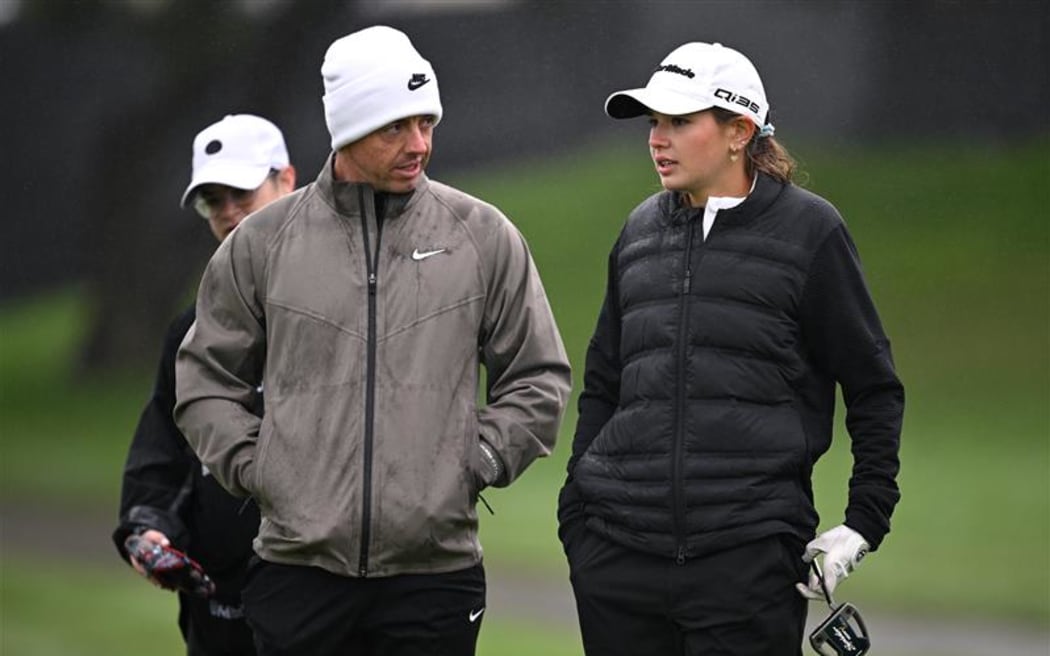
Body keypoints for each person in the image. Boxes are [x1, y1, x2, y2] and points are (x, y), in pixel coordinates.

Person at [173, 25, 571, 656]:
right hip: (297, 573)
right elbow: (202, 382)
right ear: (348, 130)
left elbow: (539, 376)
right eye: (396, 127)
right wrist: (260, 469)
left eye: (427, 123)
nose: (419, 144)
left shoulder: (483, 235)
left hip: (434, 577)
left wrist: (478, 462)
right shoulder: (262, 243)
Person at [557, 41, 904, 655]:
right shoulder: (638, 230)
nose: (656, 139)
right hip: (616, 560)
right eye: (653, 122)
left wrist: (863, 522)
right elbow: (604, 382)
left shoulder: (811, 231)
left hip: (746, 564)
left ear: (739, 130)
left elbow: (874, 386)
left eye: (678, 122)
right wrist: (578, 514)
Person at [113, 113, 296, 655]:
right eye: (213, 200)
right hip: (218, 603)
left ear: (287, 181)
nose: (228, 212)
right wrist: (148, 527)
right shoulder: (189, 331)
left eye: (241, 191)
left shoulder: (344, 307)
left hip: (319, 593)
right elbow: (164, 453)